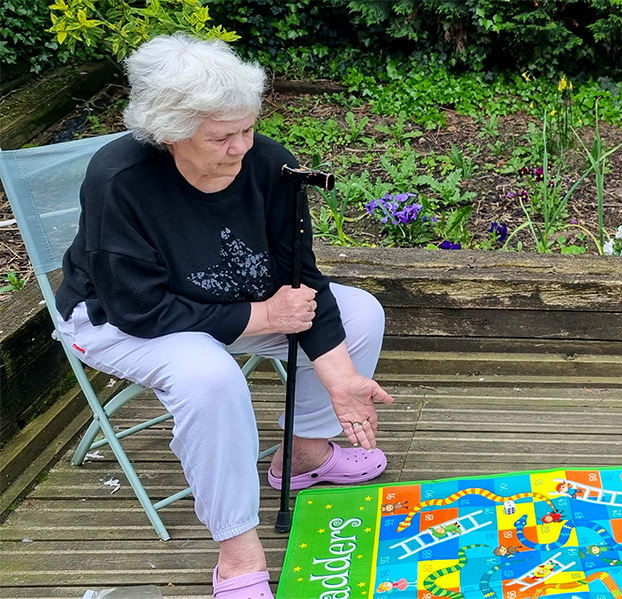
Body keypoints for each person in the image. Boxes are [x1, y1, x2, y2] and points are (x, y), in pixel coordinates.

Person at [54, 34, 394, 599]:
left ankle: (304, 454)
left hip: (236, 303)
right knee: (209, 374)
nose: (240, 148)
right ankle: (237, 555)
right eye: (220, 137)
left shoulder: (270, 163)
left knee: (360, 312)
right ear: (169, 133)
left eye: (248, 128)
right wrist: (262, 315)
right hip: (119, 321)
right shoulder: (119, 180)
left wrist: (341, 380)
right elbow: (139, 309)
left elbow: (301, 277)